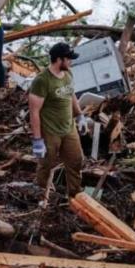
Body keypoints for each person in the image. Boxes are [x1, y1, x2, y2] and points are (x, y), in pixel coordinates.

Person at [29, 42, 89, 196]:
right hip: (50, 131)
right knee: (47, 164)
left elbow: (71, 95)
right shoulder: (42, 81)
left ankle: (75, 196)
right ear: (59, 60)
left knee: (76, 161)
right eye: (68, 59)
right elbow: (34, 111)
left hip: (69, 128)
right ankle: (42, 194)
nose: (71, 62)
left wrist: (80, 115)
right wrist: (37, 140)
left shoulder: (68, 74)